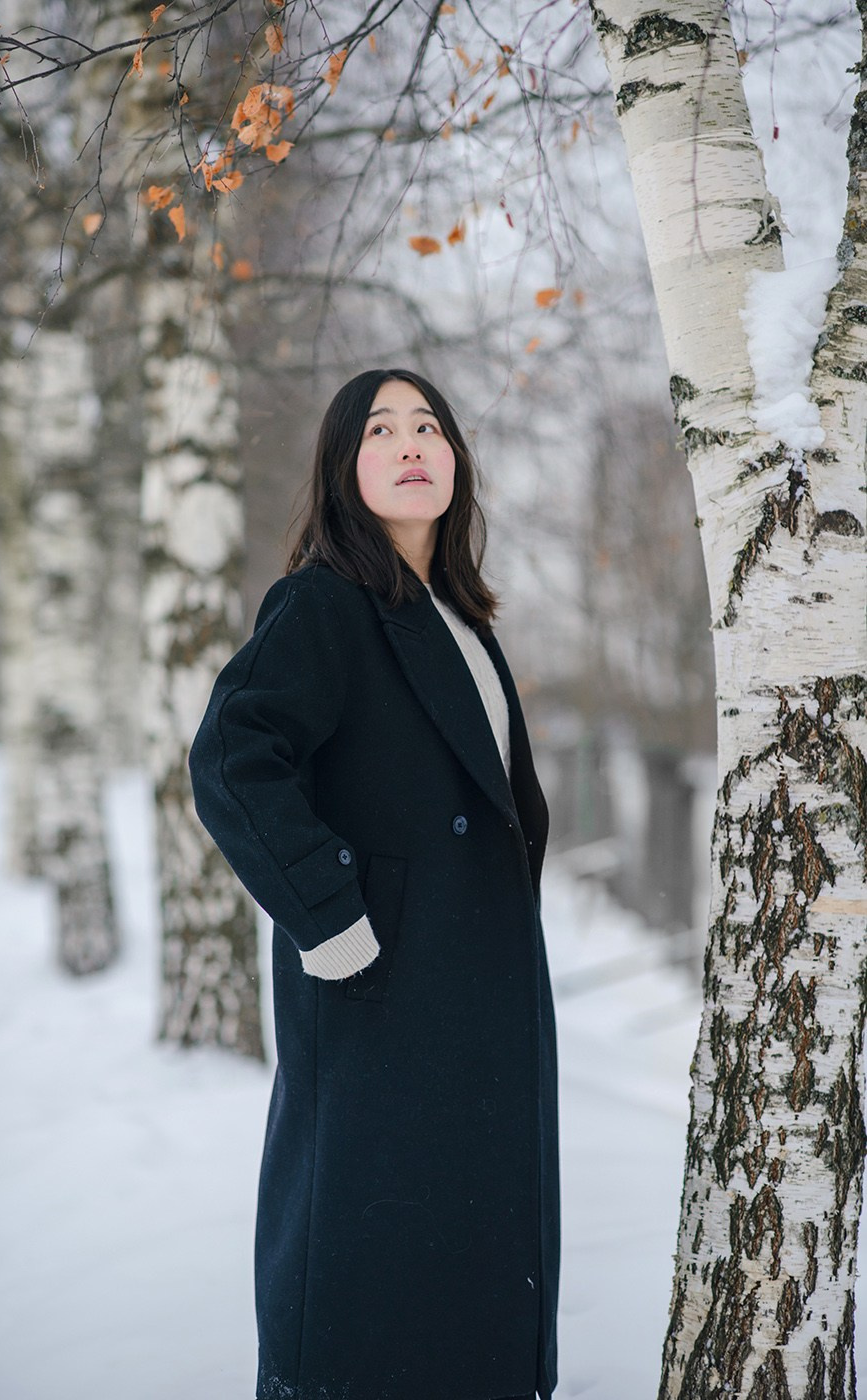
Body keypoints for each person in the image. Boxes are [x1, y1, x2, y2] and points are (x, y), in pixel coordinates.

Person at [188, 368, 560, 1400]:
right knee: (367, 1289)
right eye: (380, 428)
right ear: (343, 468)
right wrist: (332, 916)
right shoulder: (322, 604)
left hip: (477, 1008)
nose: (410, 443)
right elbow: (231, 758)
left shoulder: (462, 620)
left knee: (470, 1281)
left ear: (456, 461)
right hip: (378, 998)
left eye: (428, 425)